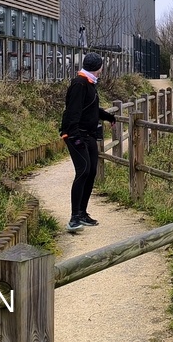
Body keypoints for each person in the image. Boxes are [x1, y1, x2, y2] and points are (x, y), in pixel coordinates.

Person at [59, 52, 116, 232]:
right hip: (76, 135)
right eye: (101, 67)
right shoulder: (79, 84)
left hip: (89, 134)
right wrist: (74, 137)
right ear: (99, 68)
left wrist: (108, 116)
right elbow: (73, 112)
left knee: (91, 172)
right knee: (83, 171)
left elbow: (90, 108)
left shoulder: (89, 83)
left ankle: (82, 213)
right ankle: (74, 218)